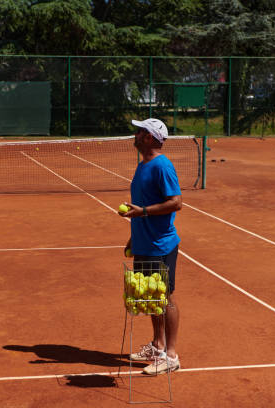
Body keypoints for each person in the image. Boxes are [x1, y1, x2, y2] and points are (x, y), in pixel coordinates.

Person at [119, 118, 182, 375]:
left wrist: (143, 212)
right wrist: (135, 237)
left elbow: (176, 202)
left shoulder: (162, 166)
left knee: (164, 297)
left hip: (160, 245)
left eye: (139, 131)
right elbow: (140, 204)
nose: (134, 134)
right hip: (144, 243)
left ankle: (172, 355)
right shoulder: (142, 165)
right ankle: (158, 346)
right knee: (150, 297)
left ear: (149, 137)